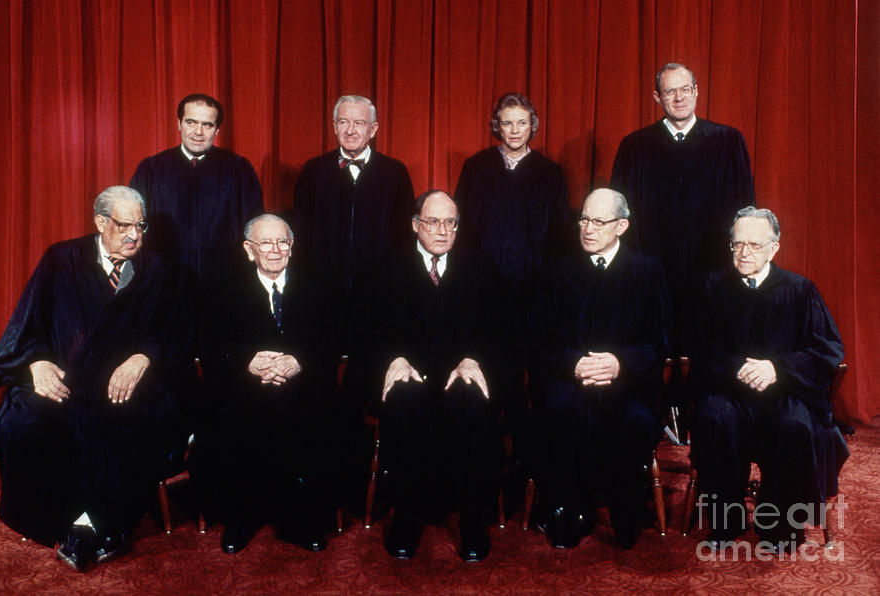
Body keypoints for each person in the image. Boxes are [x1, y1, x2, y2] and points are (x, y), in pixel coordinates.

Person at [0, 186, 195, 571]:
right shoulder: (61, 259)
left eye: (141, 225)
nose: (134, 235)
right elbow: (26, 327)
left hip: (130, 384)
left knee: (129, 419)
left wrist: (142, 357)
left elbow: (177, 335)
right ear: (101, 223)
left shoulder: (159, 271)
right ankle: (64, 521)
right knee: (23, 421)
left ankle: (95, 525)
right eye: (124, 225)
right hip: (66, 378)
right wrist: (35, 365)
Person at [349, 190, 509, 562]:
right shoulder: (382, 269)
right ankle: (407, 517)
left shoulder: (481, 269)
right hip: (409, 375)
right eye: (433, 221)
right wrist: (392, 360)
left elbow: (502, 336)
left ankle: (472, 520)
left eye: (450, 222)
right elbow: (362, 335)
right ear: (415, 224)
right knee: (404, 399)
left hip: (459, 376)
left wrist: (473, 359)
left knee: (472, 399)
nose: (442, 230)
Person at [689, 206, 846, 552]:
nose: (744, 253)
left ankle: (779, 529)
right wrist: (739, 370)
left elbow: (827, 350)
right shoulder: (711, 288)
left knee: (796, 427)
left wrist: (777, 369)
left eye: (755, 245)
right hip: (728, 392)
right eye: (737, 244)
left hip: (784, 393)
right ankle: (726, 522)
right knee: (713, 420)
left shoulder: (800, 290)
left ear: (774, 248)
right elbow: (697, 348)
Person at [529, 188, 672, 549]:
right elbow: (539, 341)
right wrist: (574, 364)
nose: (588, 229)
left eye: (598, 221)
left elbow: (661, 343)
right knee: (559, 410)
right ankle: (565, 511)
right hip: (569, 380)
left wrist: (619, 363)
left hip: (626, 384)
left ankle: (626, 514)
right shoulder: (558, 271)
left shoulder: (647, 270)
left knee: (633, 420)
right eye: (584, 219)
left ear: (621, 226)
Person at [195, 214, 342, 555]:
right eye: (266, 243)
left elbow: (333, 342)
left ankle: (303, 519)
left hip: (303, 384)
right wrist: (247, 363)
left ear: (292, 247)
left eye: (282, 243)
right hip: (245, 387)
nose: (275, 250)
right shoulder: (224, 290)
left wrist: (297, 362)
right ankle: (241, 518)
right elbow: (211, 347)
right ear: (249, 250)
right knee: (230, 419)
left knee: (317, 417)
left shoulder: (319, 286)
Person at [610, 63, 755, 337]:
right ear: (656, 98)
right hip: (652, 274)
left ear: (697, 91)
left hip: (714, 270)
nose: (679, 98)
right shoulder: (635, 147)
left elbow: (746, 213)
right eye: (670, 91)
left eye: (685, 89)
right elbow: (620, 217)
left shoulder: (728, 142)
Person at [130, 93, 264, 284]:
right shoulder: (151, 169)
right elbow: (133, 226)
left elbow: (255, 228)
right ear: (179, 124)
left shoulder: (239, 169)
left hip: (224, 284)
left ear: (217, 130)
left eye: (207, 125)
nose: (198, 132)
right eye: (191, 122)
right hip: (163, 284)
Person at [293, 94, 414, 296]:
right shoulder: (313, 171)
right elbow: (301, 230)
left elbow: (404, 236)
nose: (350, 130)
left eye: (359, 123)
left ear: (373, 129)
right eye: (343, 122)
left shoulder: (395, 173)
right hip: (323, 289)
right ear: (334, 127)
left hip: (379, 290)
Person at [455, 91, 571, 292]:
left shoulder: (550, 173)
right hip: (482, 281)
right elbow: (461, 224)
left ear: (532, 125)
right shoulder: (476, 167)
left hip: (534, 283)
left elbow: (559, 232)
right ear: (497, 126)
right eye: (508, 123)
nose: (515, 130)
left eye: (522, 123)